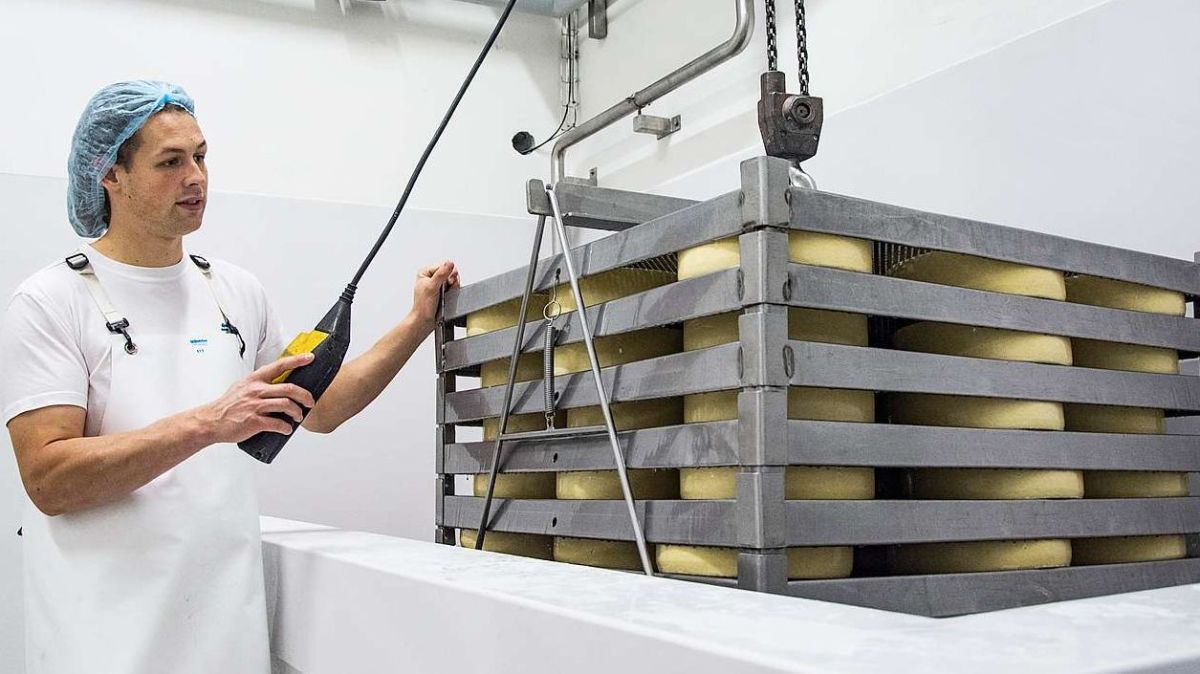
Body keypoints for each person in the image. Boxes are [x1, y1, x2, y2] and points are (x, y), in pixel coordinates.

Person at [0, 80, 459, 674]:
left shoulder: (234, 291)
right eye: (170, 162)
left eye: (200, 156)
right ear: (110, 175)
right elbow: (49, 479)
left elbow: (321, 407)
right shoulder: (51, 300)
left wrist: (418, 322)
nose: (195, 177)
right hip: (101, 645)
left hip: (224, 635)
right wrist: (208, 424)